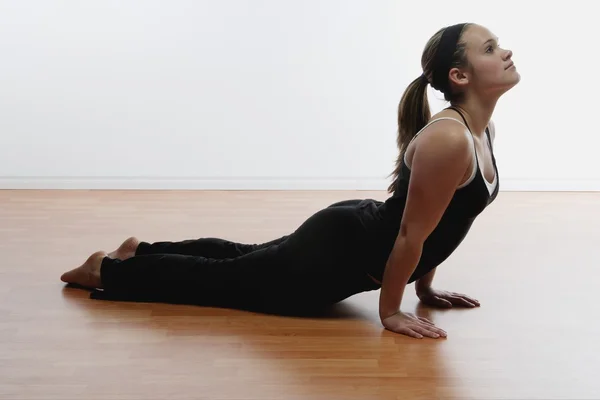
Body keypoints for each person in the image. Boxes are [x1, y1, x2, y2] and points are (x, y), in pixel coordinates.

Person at [60, 22, 520, 340]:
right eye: (490, 48)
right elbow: (411, 233)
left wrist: (424, 289)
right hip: (337, 256)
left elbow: (437, 219)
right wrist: (391, 311)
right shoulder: (450, 139)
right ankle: (106, 269)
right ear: (459, 76)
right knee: (223, 280)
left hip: (349, 234)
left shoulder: (480, 133)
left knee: (248, 258)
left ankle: (140, 250)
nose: (505, 52)